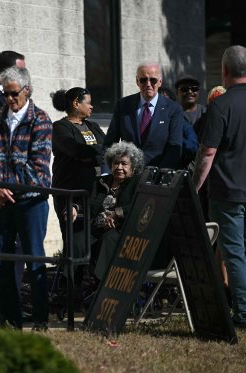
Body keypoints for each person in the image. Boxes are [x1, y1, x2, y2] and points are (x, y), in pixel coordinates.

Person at [193, 45, 246, 331]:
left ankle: (244, 315)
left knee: (234, 253)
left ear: (225, 70)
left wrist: (194, 186)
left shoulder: (222, 104)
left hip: (228, 191)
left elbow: (208, 153)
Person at [0, 66, 52, 331]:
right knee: (1, 259)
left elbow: (38, 168)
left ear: (27, 90)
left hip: (31, 200)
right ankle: (11, 320)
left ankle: (41, 320)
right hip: (1, 199)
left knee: (34, 258)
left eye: (13, 94)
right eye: (5, 94)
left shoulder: (41, 120)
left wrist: (2, 185)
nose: (9, 99)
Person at [74, 141, 144, 280]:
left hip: (121, 230)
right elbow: (85, 200)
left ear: (133, 166)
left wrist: (118, 213)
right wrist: (74, 208)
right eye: (115, 163)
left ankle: (100, 284)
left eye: (124, 164)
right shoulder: (101, 182)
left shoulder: (138, 183)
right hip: (96, 228)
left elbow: (141, 205)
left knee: (108, 240)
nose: (119, 167)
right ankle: (70, 286)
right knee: (77, 240)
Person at [50, 87, 105, 260]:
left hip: (93, 191)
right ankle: (71, 283)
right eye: (88, 103)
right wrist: (94, 154)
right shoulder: (60, 128)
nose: (92, 107)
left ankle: (91, 281)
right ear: (76, 103)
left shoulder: (92, 126)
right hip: (70, 192)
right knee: (74, 239)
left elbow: (108, 149)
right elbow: (74, 150)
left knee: (94, 236)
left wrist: (91, 155)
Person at [103, 62, 184, 170]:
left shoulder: (173, 109)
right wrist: (106, 171)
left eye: (153, 80)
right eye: (143, 80)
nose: (148, 84)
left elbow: (174, 147)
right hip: (127, 174)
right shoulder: (123, 105)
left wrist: (162, 175)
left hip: (157, 175)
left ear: (160, 81)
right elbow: (110, 143)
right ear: (137, 81)